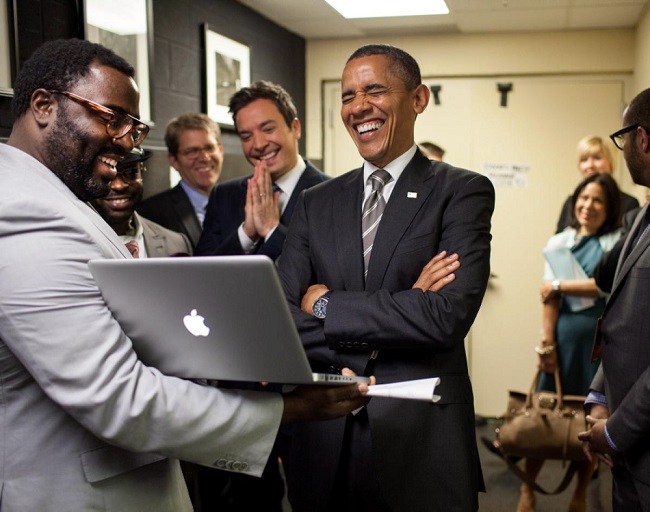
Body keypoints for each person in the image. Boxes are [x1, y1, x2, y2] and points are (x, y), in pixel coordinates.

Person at [0, 37, 373, 511]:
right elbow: (119, 396)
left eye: (133, 127)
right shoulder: (26, 212)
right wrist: (288, 409)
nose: (124, 143)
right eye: (111, 118)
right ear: (42, 105)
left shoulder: (54, 202)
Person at [276, 43, 494, 511]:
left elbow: (443, 316)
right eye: (347, 95)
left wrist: (327, 304)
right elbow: (277, 315)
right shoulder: (317, 202)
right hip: (324, 439)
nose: (358, 108)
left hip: (421, 442)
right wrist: (404, 304)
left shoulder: (462, 191)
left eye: (374, 90)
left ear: (418, 99)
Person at [518, 173, 622, 512]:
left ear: (609, 209)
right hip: (563, 340)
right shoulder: (559, 242)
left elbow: (605, 287)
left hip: (598, 344)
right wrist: (546, 344)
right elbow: (548, 298)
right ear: (574, 200)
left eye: (598, 201)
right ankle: (527, 490)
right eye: (584, 198)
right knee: (545, 411)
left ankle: (579, 494)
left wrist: (561, 285)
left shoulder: (616, 242)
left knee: (587, 419)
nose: (588, 206)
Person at [579, 88, 650, 512]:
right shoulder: (641, 213)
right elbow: (622, 319)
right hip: (628, 455)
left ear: (642, 138)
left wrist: (616, 430)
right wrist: (601, 400)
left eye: (622, 139)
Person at [195, 80, 329, 259]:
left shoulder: (332, 194)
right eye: (246, 136)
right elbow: (201, 274)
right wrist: (246, 234)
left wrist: (271, 229)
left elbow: (329, 273)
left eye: (268, 129)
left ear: (295, 128)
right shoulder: (223, 196)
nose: (258, 144)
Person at [137, 113, 223, 248]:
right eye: (192, 151)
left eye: (209, 148)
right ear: (174, 161)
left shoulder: (241, 202)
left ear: (221, 151)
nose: (204, 157)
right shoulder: (150, 213)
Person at [92, 146, 192, 257]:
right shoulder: (74, 241)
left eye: (130, 171)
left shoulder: (176, 244)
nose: (119, 185)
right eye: (106, 175)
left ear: (142, 172)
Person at [555, 135, 638, 233]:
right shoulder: (571, 202)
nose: (590, 165)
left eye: (597, 158)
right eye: (584, 160)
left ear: (611, 163)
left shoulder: (629, 203)